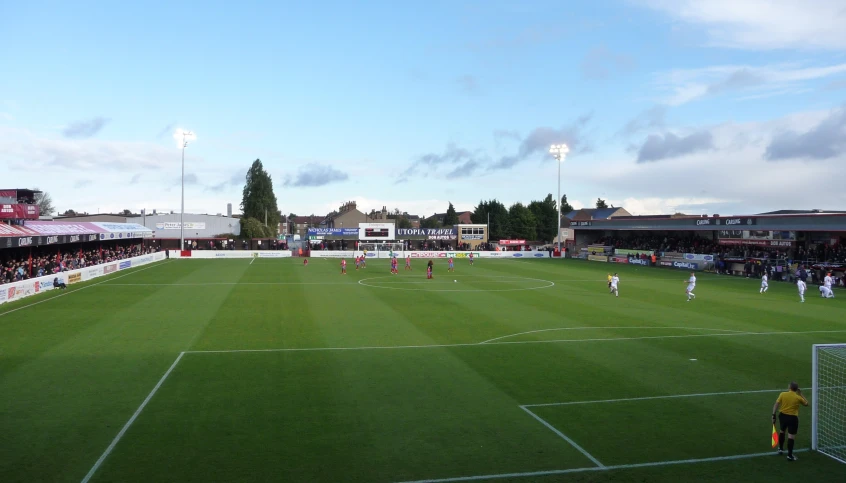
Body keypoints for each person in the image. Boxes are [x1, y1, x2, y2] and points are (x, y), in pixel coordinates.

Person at [772, 382, 809, 461]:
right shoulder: (798, 397)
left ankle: (780, 449)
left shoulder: (782, 394)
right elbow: (806, 404)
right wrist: (801, 394)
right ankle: (789, 455)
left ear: (789, 387)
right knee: (791, 436)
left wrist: (773, 415)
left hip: (782, 416)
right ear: (796, 389)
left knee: (782, 431)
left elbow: (776, 404)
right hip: (792, 418)